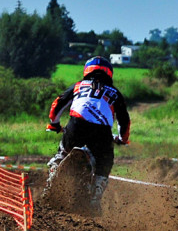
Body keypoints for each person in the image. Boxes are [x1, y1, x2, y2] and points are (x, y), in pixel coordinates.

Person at [45, 57, 130, 210]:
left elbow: (58, 104)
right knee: (105, 162)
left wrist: (54, 123)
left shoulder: (78, 86)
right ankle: (95, 198)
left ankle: (52, 177)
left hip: (77, 125)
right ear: (109, 73)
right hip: (102, 132)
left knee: (63, 152)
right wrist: (122, 139)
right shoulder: (115, 93)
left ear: (87, 70)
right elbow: (124, 120)